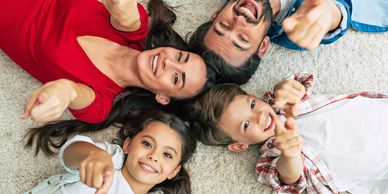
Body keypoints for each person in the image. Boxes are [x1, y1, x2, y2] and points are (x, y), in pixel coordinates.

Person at [0, 0, 210, 124]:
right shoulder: (137, 27)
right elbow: (124, 12)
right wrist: (121, 6)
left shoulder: (100, 104)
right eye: (180, 57)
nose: (169, 62)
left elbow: (72, 92)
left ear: (163, 97)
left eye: (176, 77)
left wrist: (61, 92)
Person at [187, 74, 388, 193]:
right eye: (246, 125)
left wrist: (286, 88)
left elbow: (299, 83)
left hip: (376, 114)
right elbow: (289, 179)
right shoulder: (271, 155)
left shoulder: (281, 103)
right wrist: (290, 154)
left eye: (253, 104)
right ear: (239, 145)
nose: (259, 116)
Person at [24, 110, 197, 194]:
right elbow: (69, 153)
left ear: (174, 171)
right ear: (128, 145)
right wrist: (94, 154)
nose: (153, 156)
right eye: (147, 143)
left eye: (167, 155)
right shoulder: (111, 160)